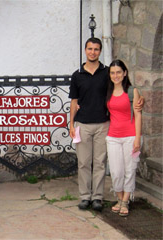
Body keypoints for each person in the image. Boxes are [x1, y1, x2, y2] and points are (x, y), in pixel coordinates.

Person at [69, 38, 143, 211]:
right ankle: (85, 196)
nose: (92, 52)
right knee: (83, 163)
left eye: (96, 49)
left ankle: (97, 198)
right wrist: (71, 124)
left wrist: (141, 100)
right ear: (85, 50)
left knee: (100, 163)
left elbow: (123, 88)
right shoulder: (77, 75)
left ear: (100, 51)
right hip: (82, 124)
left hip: (104, 124)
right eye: (90, 49)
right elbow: (74, 101)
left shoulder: (107, 73)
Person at [106, 59, 142, 217]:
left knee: (130, 169)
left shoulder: (132, 91)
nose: (116, 75)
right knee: (116, 171)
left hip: (130, 136)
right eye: (113, 73)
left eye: (119, 72)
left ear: (125, 73)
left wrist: (137, 138)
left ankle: (125, 201)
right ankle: (119, 198)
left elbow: (138, 115)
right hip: (113, 136)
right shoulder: (107, 92)